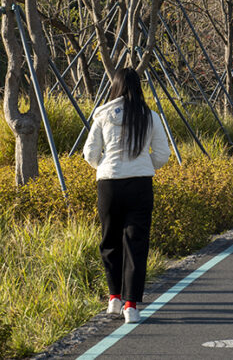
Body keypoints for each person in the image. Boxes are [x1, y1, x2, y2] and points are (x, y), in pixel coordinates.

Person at [84, 67, 171, 323]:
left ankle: (113, 298)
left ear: (116, 86)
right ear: (138, 87)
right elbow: (163, 155)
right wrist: (145, 164)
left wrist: (104, 165)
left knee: (109, 240)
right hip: (140, 184)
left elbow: (90, 154)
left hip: (109, 184)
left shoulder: (102, 115)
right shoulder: (150, 116)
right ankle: (131, 306)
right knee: (136, 243)